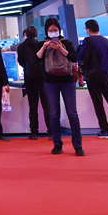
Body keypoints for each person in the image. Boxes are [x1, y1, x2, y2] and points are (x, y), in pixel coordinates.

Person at [38, 19, 83, 156]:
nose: (53, 33)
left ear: (59, 30)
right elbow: (36, 58)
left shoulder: (66, 43)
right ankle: (57, 144)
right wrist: (44, 47)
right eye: (50, 30)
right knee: (53, 114)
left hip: (67, 80)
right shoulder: (43, 43)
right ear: (46, 31)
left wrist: (60, 49)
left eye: (55, 30)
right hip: (49, 81)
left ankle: (78, 145)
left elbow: (74, 57)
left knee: (72, 113)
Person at [17, 26, 50, 140]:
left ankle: (34, 132)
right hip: (43, 78)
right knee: (46, 106)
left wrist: (27, 67)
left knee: (33, 106)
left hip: (29, 78)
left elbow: (21, 61)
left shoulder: (21, 47)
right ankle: (51, 131)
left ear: (25, 35)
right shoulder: (41, 45)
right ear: (36, 35)